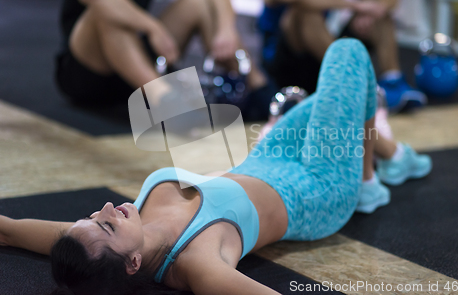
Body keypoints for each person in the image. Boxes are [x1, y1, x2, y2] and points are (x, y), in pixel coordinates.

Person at [3, 40, 431, 295]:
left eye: (91, 217)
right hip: (318, 188)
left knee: (335, 100)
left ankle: (389, 156)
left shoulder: (93, 248)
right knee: (348, 55)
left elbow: (8, 227)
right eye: (107, 226)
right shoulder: (199, 265)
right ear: (133, 264)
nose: (106, 210)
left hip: (267, 159)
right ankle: (367, 180)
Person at [55, 0, 273, 120]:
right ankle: (164, 99)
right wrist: (152, 26)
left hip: (130, 74)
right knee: (105, 10)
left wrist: (227, 29)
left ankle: (256, 88)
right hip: (86, 76)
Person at [259, 0, 427, 112]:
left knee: (378, 16)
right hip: (285, 69)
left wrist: (377, 9)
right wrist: (358, 5)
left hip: (321, 64)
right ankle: (354, 85)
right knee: (305, 13)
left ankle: (393, 82)